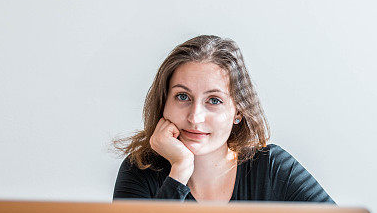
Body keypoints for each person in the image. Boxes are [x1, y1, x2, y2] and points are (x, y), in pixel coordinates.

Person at [111, 35, 335, 204]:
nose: (195, 117)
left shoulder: (272, 166)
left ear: (238, 111)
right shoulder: (139, 170)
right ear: (163, 103)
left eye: (214, 100)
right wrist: (179, 171)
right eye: (182, 96)